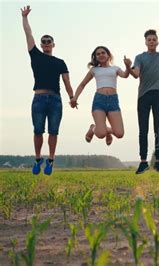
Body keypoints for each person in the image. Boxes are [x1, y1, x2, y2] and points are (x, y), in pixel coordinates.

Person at [22, 5, 75, 175]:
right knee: (38, 131)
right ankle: (38, 159)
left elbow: (67, 82)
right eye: (43, 41)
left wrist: (72, 97)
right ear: (40, 44)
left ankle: (50, 160)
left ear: (53, 44)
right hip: (38, 99)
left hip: (55, 100)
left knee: (53, 131)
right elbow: (28, 34)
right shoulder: (35, 55)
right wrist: (25, 18)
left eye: (48, 41)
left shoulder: (60, 62)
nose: (46, 44)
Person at [129, 9, 159, 174]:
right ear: (146, 42)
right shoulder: (140, 57)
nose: (151, 41)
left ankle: (158, 161)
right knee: (143, 128)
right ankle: (143, 162)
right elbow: (136, 74)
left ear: (157, 42)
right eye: (149, 39)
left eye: (154, 39)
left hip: (158, 94)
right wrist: (129, 66)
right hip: (143, 96)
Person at [71, 46, 130, 147]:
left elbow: (125, 75)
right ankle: (93, 128)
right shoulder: (94, 70)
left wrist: (128, 66)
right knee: (101, 134)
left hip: (113, 101)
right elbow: (82, 84)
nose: (101, 55)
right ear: (95, 57)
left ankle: (105, 130)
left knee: (120, 134)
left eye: (103, 53)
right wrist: (75, 98)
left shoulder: (115, 69)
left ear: (108, 55)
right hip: (99, 100)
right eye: (98, 54)